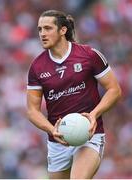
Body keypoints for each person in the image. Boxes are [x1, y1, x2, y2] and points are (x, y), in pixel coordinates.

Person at [26, 10, 121, 179]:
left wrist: (93, 115)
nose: (42, 34)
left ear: (63, 30)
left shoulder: (89, 55)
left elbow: (114, 90)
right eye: (40, 29)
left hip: (89, 134)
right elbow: (32, 110)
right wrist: (51, 129)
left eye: (47, 28)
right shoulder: (37, 67)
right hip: (57, 142)